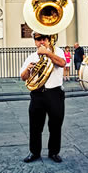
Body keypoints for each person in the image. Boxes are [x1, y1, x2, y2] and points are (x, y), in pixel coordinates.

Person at [19, 32, 66, 164]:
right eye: (38, 39)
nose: (41, 42)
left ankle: (54, 152)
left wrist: (47, 53)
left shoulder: (58, 52)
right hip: (37, 95)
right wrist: (28, 70)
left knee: (55, 125)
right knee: (35, 126)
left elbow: (62, 63)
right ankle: (34, 152)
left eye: (44, 39)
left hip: (55, 94)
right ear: (34, 41)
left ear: (49, 39)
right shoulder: (31, 57)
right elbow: (23, 77)